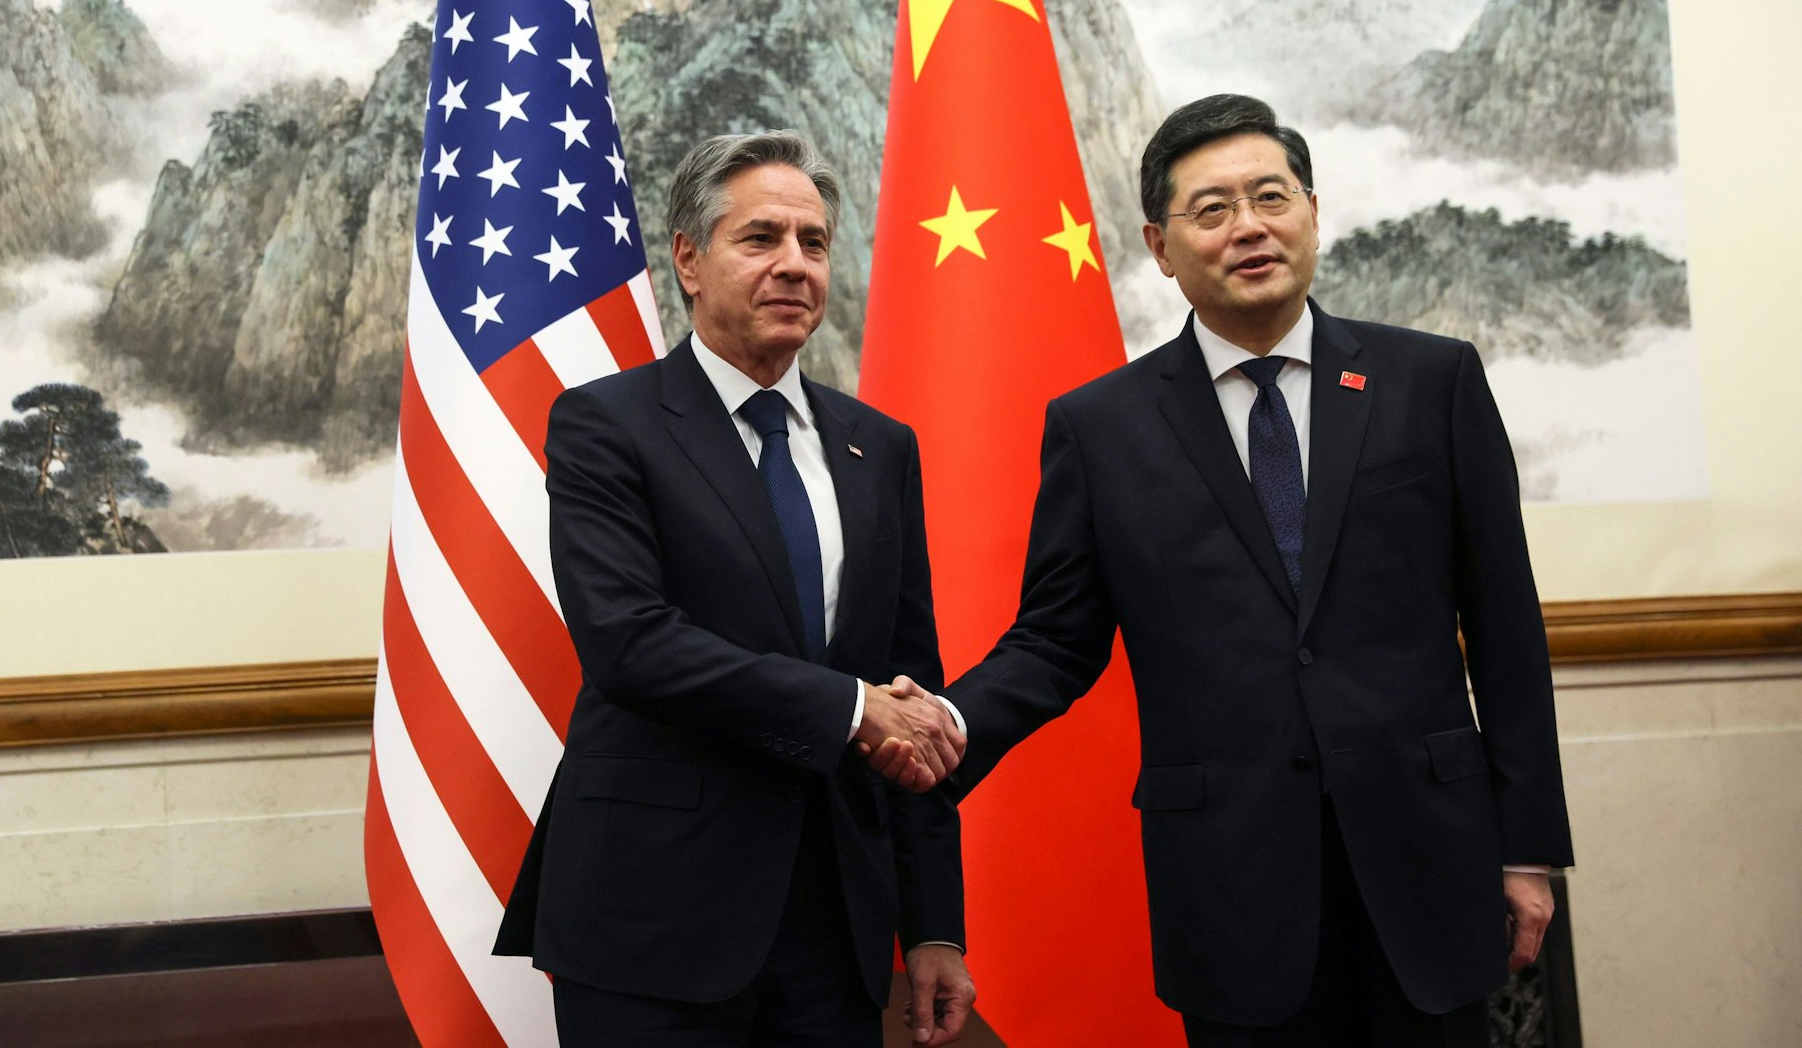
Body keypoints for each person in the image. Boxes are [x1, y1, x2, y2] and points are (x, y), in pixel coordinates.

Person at [899, 94, 1575, 1045]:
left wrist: (1531, 848)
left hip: (1430, 860)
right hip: (1231, 884)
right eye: (1212, 209)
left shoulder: (1433, 381)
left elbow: (1507, 629)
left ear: (1310, 210)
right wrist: (948, 725)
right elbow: (1056, 641)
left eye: (1271, 196)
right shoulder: (1102, 428)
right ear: (1160, 245)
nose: (1250, 226)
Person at [494, 130, 975, 1047]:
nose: (795, 265)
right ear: (689, 259)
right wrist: (848, 709)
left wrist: (935, 925)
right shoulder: (606, 424)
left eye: (815, 243)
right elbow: (630, 642)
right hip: (653, 919)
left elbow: (908, 691)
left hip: (835, 929)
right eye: (761, 239)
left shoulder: (880, 447)